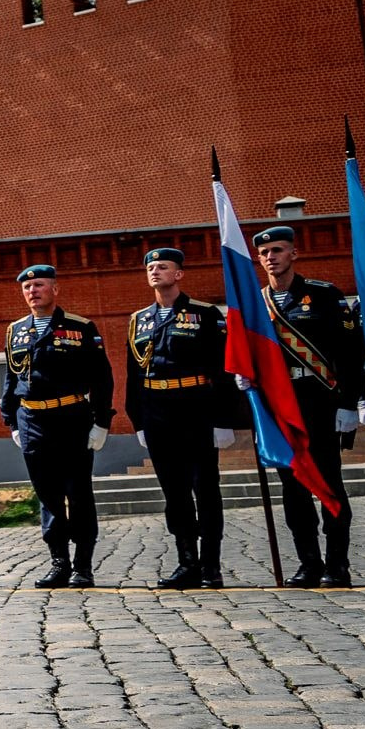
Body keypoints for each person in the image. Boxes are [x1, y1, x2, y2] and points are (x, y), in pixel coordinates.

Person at [251, 225, 365, 587]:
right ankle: (308, 563)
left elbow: (349, 354)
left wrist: (348, 403)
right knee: (293, 487)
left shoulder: (324, 295)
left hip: (320, 401)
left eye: (279, 250)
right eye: (266, 252)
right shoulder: (254, 303)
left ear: (293, 254)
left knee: (329, 482)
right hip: (279, 406)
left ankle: (337, 564)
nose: (272, 257)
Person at [123, 248, 233, 590]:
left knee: (206, 489)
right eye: (151, 268)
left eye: (163, 267)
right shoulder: (139, 319)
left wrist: (223, 418)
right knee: (175, 493)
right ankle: (187, 562)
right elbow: (133, 374)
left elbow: (223, 369)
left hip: (196, 407)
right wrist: (138, 420)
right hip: (157, 411)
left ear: (179, 274)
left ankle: (211, 565)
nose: (155, 272)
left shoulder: (205, 314)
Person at [0, 263, 113, 589]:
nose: (32, 291)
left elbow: (102, 378)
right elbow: (11, 378)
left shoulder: (81, 327)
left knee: (78, 493)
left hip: (72, 419)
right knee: (47, 495)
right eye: (27, 287)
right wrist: (12, 422)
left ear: (55, 289)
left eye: (39, 285)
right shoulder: (15, 330)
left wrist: (101, 421)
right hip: (32, 420)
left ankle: (83, 566)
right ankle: (59, 563)